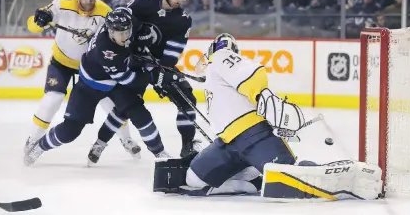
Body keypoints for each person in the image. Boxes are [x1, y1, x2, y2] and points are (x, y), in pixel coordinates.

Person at [152, 33, 382, 201]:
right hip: (226, 143)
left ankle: (351, 175)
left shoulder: (221, 56)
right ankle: (252, 181)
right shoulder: (215, 72)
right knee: (194, 179)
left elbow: (252, 74)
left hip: (254, 137)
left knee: (294, 177)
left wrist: (260, 93)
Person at [24, 9, 172, 166]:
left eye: (127, 31)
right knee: (70, 131)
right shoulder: (107, 52)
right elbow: (129, 80)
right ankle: (40, 146)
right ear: (109, 30)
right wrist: (153, 76)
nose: (125, 37)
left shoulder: (122, 23)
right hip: (89, 87)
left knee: (139, 113)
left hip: (114, 85)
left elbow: (130, 11)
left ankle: (159, 152)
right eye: (119, 33)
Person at [24, 0, 141, 160]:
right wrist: (39, 20)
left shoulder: (104, 11)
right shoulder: (62, 3)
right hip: (61, 62)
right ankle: (33, 140)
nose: (89, 0)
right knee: (53, 99)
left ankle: (126, 139)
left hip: (90, 66)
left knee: (110, 103)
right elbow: (32, 25)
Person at [89, 0, 199, 164]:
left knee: (187, 98)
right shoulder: (144, 2)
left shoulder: (183, 20)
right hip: (130, 62)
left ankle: (187, 144)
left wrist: (160, 72)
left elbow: (172, 54)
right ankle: (100, 142)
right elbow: (120, 18)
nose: (180, 0)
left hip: (156, 64)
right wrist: (137, 33)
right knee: (125, 108)